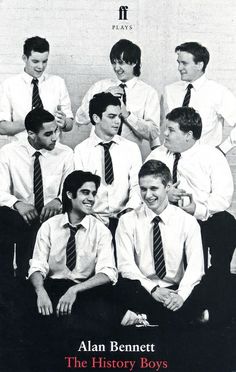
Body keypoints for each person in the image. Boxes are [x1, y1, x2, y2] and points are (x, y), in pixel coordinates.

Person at [146, 107, 236, 323]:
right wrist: (167, 196)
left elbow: (224, 198)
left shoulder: (211, 156)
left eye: (171, 130)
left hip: (204, 218)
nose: (164, 135)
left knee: (226, 223)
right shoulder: (157, 154)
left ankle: (215, 313)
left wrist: (197, 208)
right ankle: (190, 310)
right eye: (165, 129)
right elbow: (142, 187)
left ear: (189, 135)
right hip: (170, 219)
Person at [28, 170, 117, 337]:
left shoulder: (101, 231)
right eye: (85, 192)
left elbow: (108, 272)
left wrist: (74, 290)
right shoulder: (49, 226)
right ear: (70, 194)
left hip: (85, 289)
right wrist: (40, 291)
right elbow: (37, 265)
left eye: (93, 193)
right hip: (52, 287)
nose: (91, 198)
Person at [116, 160, 205, 327]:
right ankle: (186, 316)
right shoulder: (127, 221)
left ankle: (144, 317)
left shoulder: (187, 221)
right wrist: (153, 290)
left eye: (154, 188)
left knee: (206, 288)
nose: (148, 195)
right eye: (143, 189)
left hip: (175, 289)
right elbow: (126, 266)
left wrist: (181, 296)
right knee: (120, 289)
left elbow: (195, 266)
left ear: (168, 186)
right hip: (142, 288)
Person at [0, 108, 74, 278]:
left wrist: (59, 200)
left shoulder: (66, 153)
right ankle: (10, 281)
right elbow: (0, 189)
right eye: (48, 134)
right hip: (21, 218)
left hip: (53, 216)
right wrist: (17, 203)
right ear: (31, 134)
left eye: (56, 131)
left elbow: (71, 186)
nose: (55, 137)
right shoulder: (9, 153)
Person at [75, 39, 160, 158]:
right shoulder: (100, 86)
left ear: (134, 62)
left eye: (121, 62)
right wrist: (101, 98)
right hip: (95, 154)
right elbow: (79, 119)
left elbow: (153, 134)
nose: (116, 68)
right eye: (114, 63)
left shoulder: (148, 93)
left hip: (128, 157)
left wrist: (127, 115)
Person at [74, 92, 142, 236]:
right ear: (96, 118)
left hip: (126, 221)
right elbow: (79, 190)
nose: (118, 121)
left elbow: (137, 185)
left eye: (119, 116)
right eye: (111, 117)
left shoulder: (131, 148)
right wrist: (89, 216)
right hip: (92, 222)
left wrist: (130, 210)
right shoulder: (81, 150)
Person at [164, 42, 236, 154]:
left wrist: (222, 150)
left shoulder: (218, 92)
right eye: (178, 63)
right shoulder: (170, 90)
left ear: (199, 65)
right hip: (173, 157)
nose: (179, 68)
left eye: (184, 63)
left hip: (204, 159)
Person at [0, 36, 73, 143]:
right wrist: (34, 123)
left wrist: (64, 123)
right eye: (35, 61)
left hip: (52, 151)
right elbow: (2, 127)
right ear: (24, 58)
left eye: (44, 61)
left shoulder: (58, 83)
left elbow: (69, 124)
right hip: (20, 152)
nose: (40, 67)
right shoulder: (9, 85)